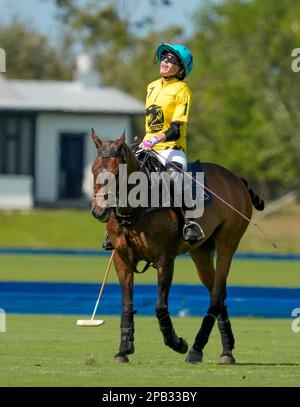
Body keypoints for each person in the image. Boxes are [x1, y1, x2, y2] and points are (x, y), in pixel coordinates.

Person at [102, 42, 204, 250]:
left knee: (176, 177)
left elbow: (176, 128)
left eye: (172, 60)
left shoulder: (182, 89)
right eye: (164, 57)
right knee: (120, 170)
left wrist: (156, 138)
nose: (165, 61)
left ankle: (190, 223)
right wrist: (146, 141)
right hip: (148, 146)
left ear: (181, 69)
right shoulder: (151, 86)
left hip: (171, 148)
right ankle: (112, 227)